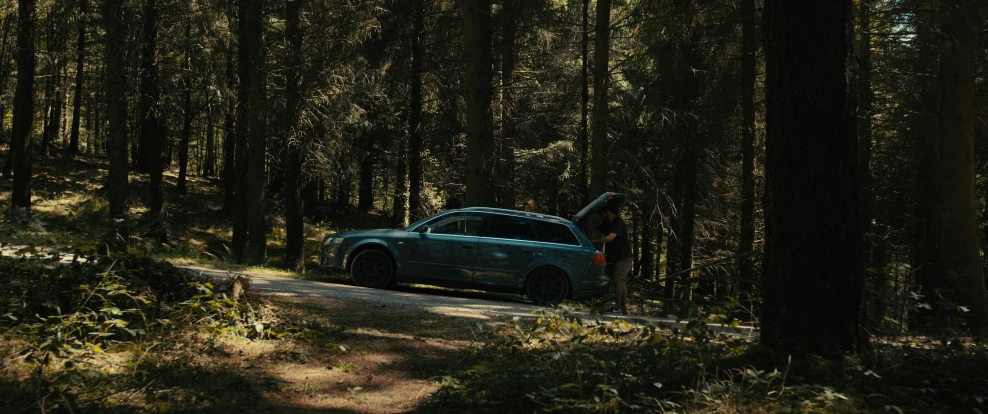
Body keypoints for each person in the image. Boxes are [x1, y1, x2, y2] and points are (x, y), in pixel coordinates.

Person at [594, 205, 632, 315]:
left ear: (610, 212)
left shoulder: (618, 222)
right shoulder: (608, 224)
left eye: (605, 212)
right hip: (616, 257)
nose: (604, 215)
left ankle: (618, 307)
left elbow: (610, 237)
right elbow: (597, 230)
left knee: (618, 280)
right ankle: (622, 308)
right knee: (621, 281)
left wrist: (596, 241)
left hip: (623, 256)